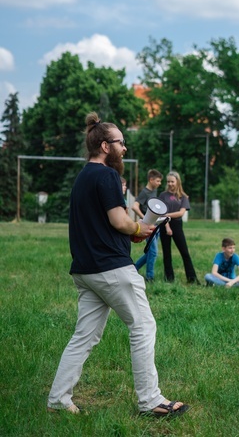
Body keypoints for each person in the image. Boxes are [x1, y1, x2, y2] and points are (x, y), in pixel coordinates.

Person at [47, 112, 189, 418]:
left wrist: (132, 231)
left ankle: (58, 398)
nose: (125, 148)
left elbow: (108, 224)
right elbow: (118, 220)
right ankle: (150, 400)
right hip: (111, 270)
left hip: (86, 270)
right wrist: (138, 228)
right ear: (104, 146)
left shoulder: (83, 177)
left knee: (84, 336)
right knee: (143, 326)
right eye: (120, 142)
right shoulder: (108, 175)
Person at [158, 171, 200, 284]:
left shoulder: (183, 197)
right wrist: (167, 227)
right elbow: (160, 213)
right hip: (164, 225)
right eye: (168, 181)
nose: (170, 184)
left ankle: (192, 278)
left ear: (177, 181)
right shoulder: (162, 195)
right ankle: (169, 278)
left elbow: (181, 213)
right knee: (167, 254)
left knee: (185, 252)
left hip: (177, 225)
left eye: (172, 181)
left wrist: (166, 215)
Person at [132, 169, 163, 282]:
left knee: (151, 253)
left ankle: (134, 268)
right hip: (148, 227)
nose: (160, 183)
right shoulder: (144, 192)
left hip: (155, 226)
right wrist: (145, 220)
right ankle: (150, 277)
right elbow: (135, 206)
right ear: (151, 180)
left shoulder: (154, 191)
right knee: (153, 252)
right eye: (158, 181)